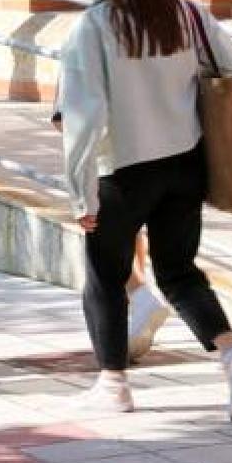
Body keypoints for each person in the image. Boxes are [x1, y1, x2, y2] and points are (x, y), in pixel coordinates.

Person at [58, 0, 232, 420]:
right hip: (186, 163)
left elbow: (83, 120)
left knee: (105, 276)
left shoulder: (94, 26)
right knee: (179, 271)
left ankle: (113, 384)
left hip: (122, 172)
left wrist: (80, 194)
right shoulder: (186, 14)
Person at [51, 110, 171, 362]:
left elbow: (68, 116)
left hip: (106, 139)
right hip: (148, 134)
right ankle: (137, 300)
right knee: (129, 218)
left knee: (104, 225)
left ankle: (138, 294)